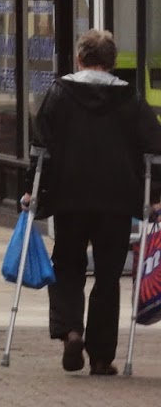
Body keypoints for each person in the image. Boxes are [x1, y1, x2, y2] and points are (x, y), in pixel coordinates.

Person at [33, 28, 161, 376]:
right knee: (107, 275)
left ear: (80, 58)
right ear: (112, 63)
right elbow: (154, 147)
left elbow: (41, 146)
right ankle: (101, 356)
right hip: (117, 200)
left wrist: (35, 191)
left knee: (67, 265)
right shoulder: (131, 99)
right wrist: (154, 197)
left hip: (69, 195)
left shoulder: (60, 93)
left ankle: (71, 329)